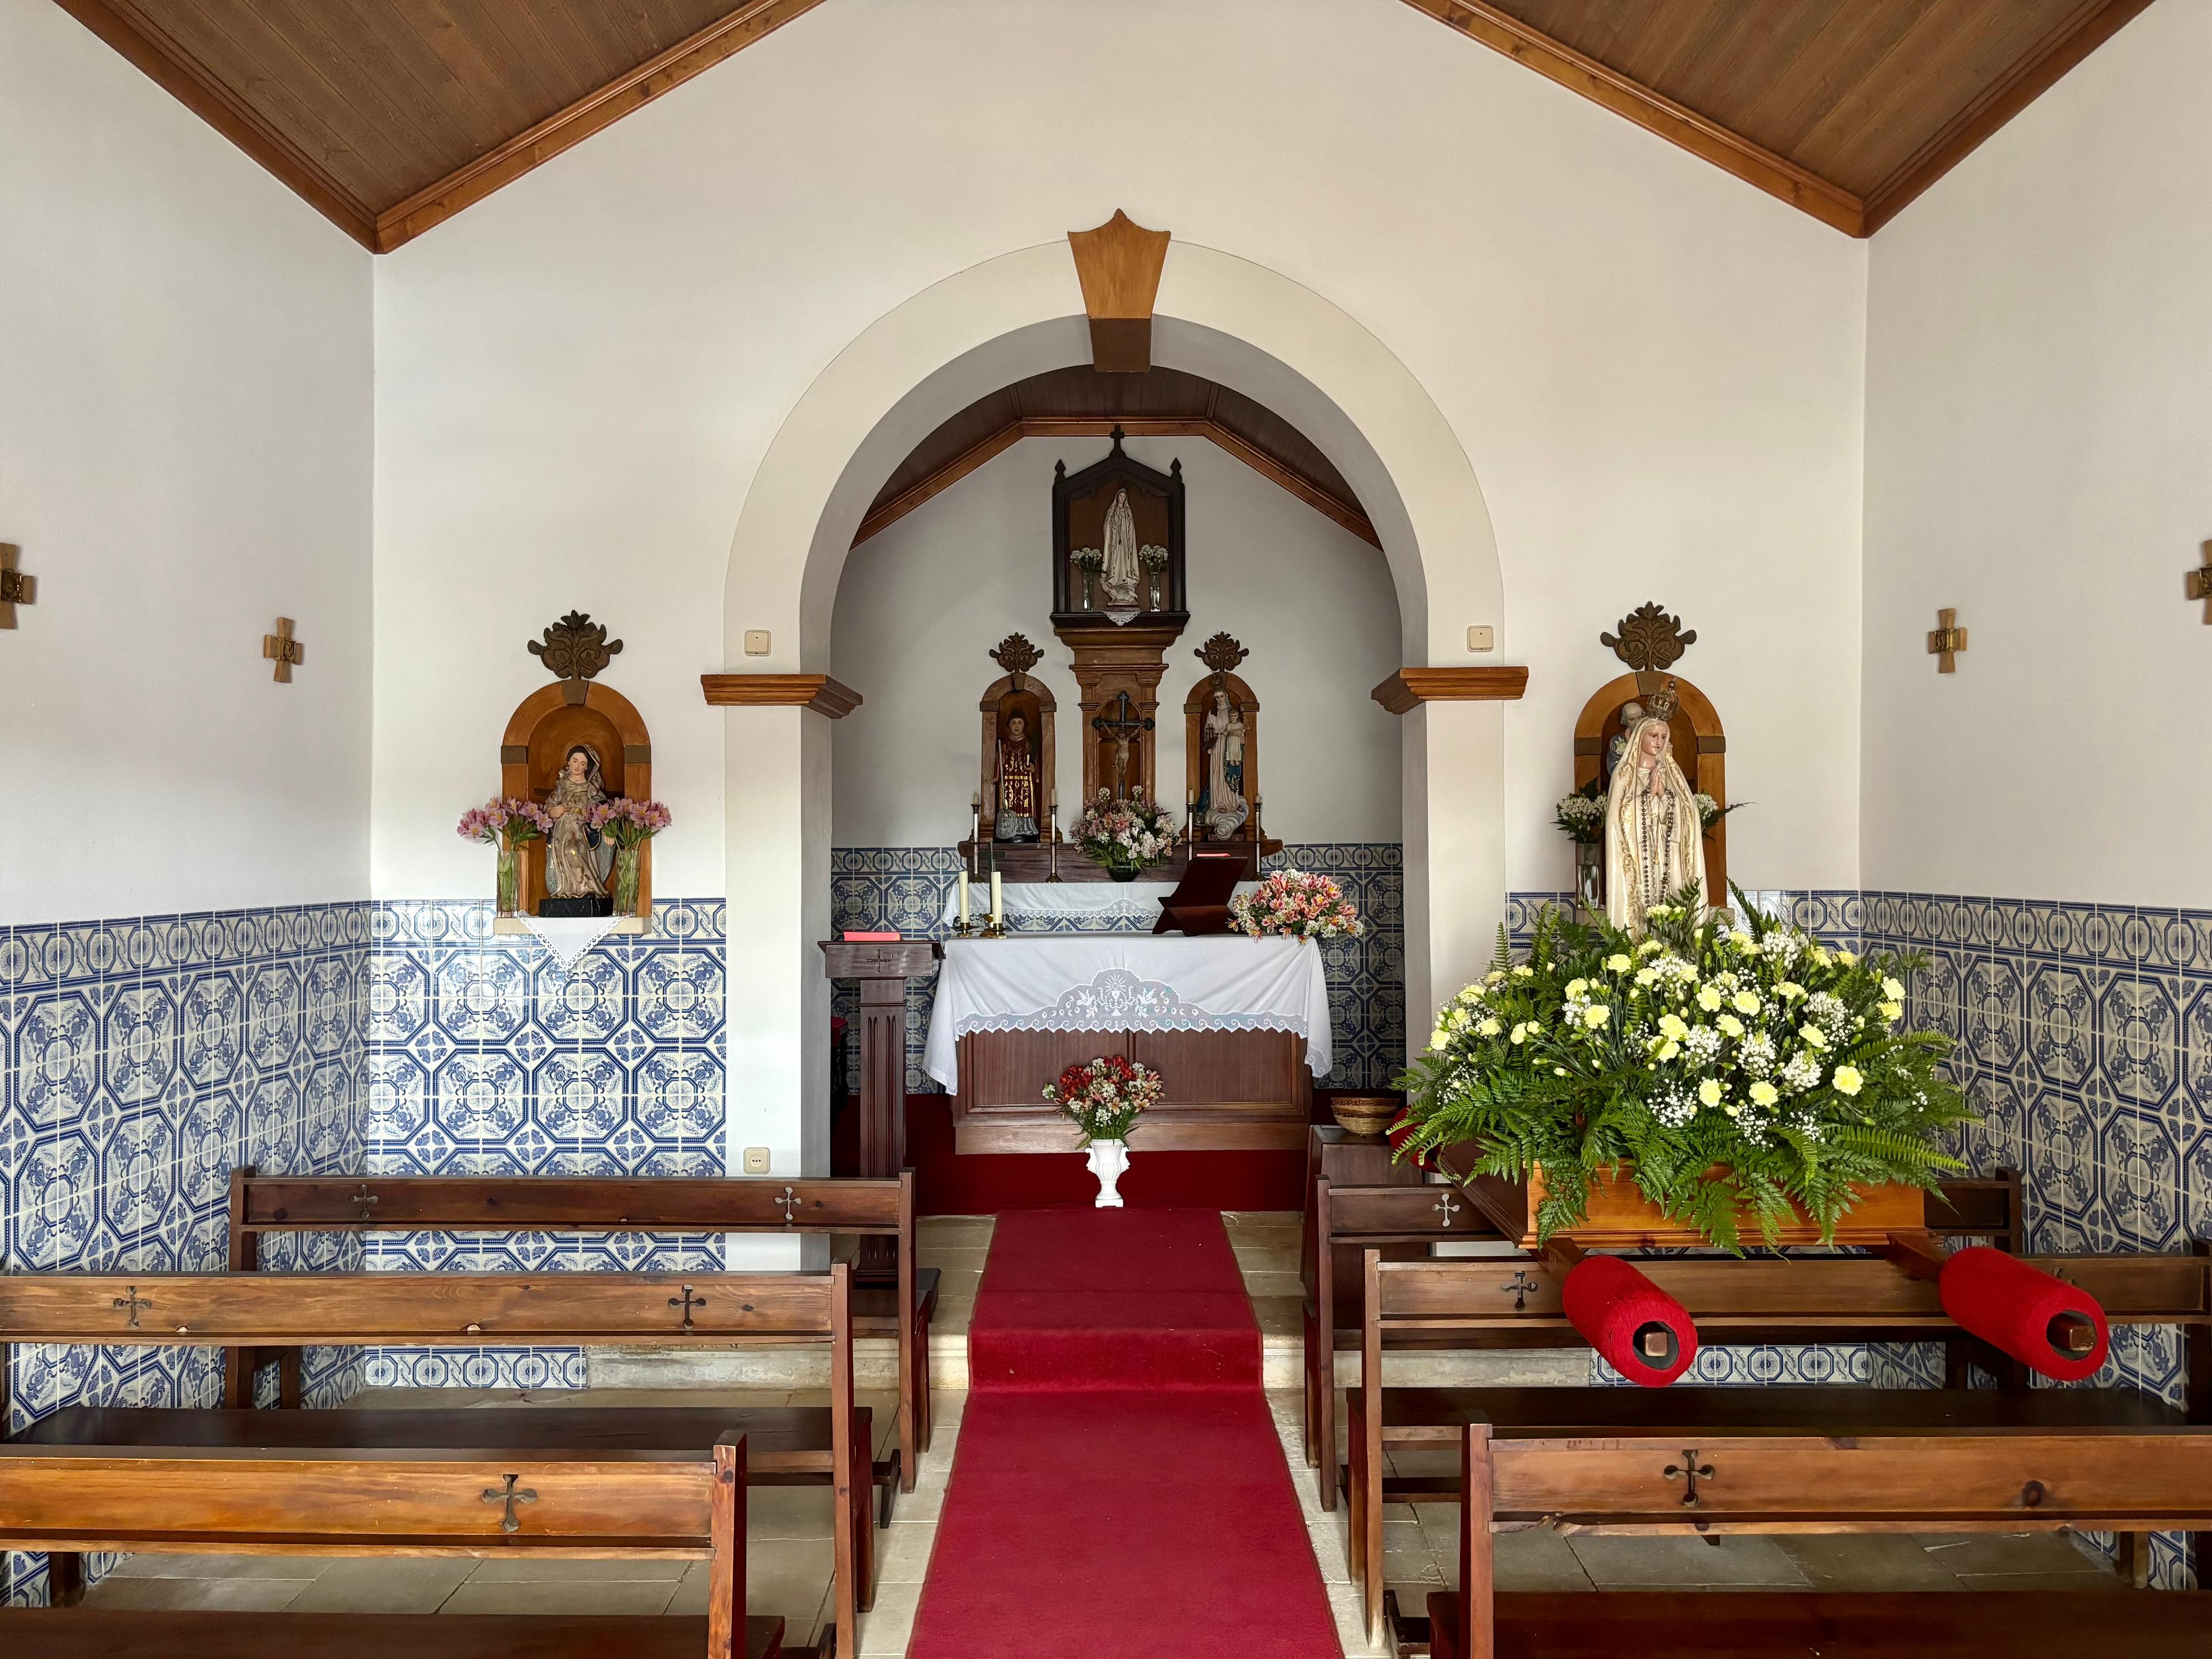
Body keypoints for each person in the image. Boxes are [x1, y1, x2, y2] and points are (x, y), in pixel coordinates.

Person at [1603, 705, 1705, 934]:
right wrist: (1648, 798)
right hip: (1638, 857)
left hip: (1671, 857)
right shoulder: (1624, 775)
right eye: (1653, 736)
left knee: (1674, 912)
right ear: (1640, 737)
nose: (1658, 742)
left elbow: (1689, 814)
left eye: (1663, 737)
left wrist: (1666, 798)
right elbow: (1616, 820)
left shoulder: (1673, 773)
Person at [544, 744, 608, 898]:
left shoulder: (591, 788)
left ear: (587, 767)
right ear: (568, 762)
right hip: (563, 829)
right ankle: (568, 890)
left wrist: (605, 828)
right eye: (575, 761)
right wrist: (552, 811)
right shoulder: (562, 786)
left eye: (583, 763)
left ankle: (587, 888)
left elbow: (602, 809)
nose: (578, 766)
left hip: (582, 829)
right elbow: (548, 806)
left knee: (573, 850)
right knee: (567, 852)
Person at [995, 712, 1040, 842]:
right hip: (1008, 781)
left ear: (1024, 725)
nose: (1017, 726)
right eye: (1014, 723)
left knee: (1025, 804)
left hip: (1025, 781)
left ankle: (1025, 829)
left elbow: (1036, 764)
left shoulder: (1029, 744)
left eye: (1020, 723)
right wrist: (1000, 763)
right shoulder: (1004, 744)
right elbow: (998, 765)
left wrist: (1033, 769)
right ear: (1009, 725)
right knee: (1008, 805)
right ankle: (1007, 829)